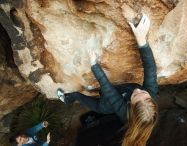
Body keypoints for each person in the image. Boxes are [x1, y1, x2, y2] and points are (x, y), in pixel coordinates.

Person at [57, 13, 158, 146]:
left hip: (105, 106)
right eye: (144, 93)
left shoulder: (124, 113)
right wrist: (141, 39)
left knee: (77, 95)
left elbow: (109, 92)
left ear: (130, 106)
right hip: (118, 93)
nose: (139, 89)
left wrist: (94, 65)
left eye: (135, 96)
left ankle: (67, 99)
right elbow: (150, 68)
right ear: (151, 99)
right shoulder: (151, 94)